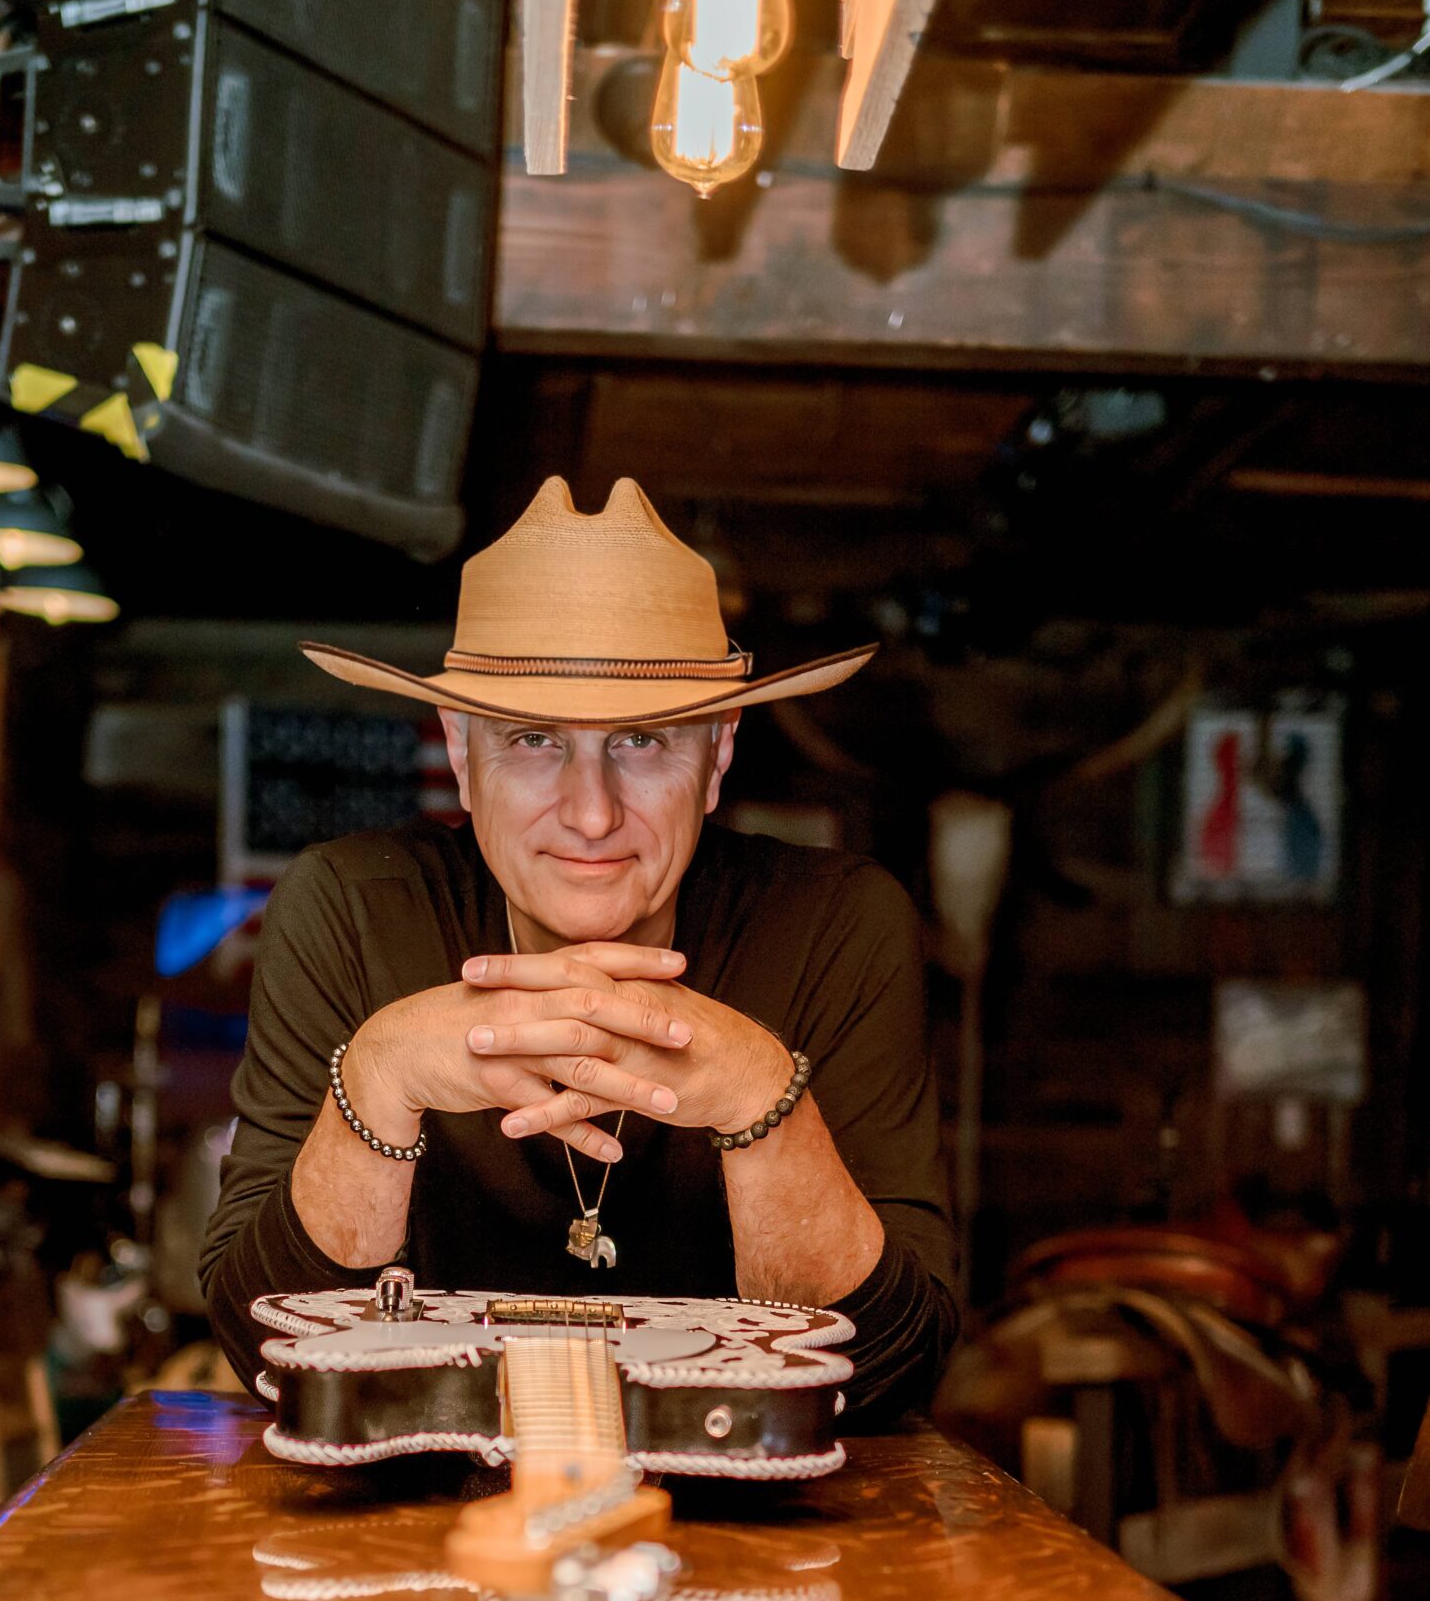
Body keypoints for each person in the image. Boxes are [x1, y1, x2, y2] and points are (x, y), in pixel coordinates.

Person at [201, 476, 956, 1425]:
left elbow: (894, 1374)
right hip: (414, 1522)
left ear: (718, 754)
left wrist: (763, 1099)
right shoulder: (349, 909)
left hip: (751, 1525)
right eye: (532, 740)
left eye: (642, 740)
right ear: (460, 749)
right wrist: (380, 1077)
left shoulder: (838, 925)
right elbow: (261, 1357)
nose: (591, 814)